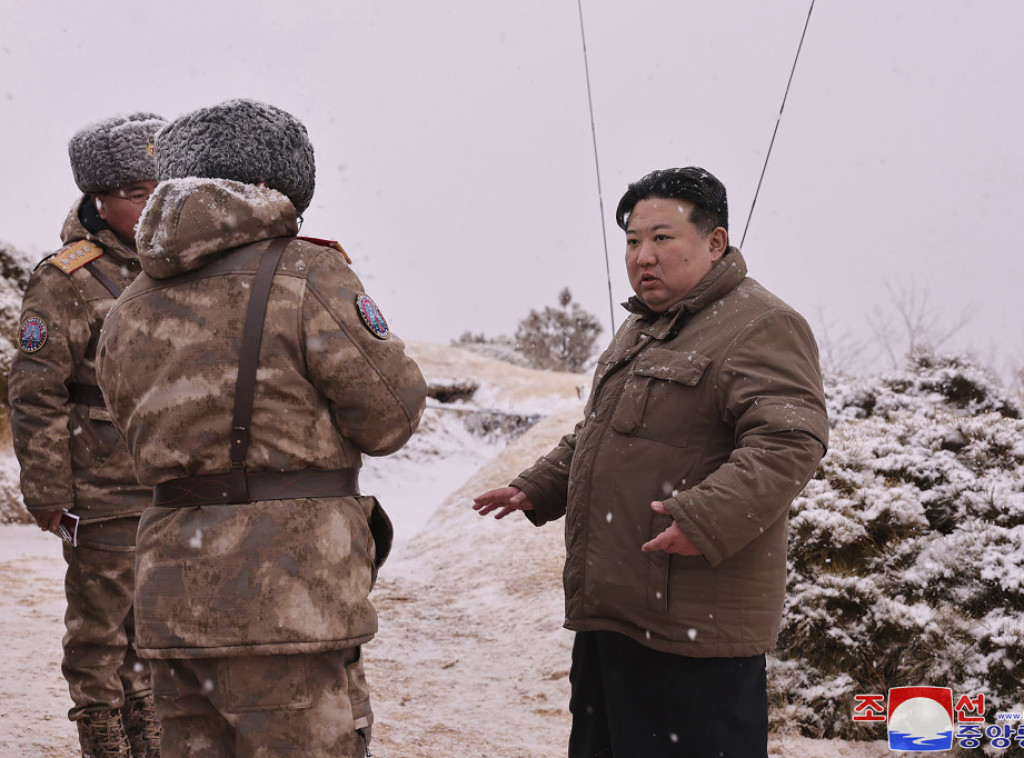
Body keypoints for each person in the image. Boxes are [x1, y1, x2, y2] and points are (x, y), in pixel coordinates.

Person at [94, 98, 427, 758]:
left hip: (170, 597)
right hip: (287, 597)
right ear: (278, 184)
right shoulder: (307, 272)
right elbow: (390, 415)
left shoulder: (129, 301)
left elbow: (130, 431)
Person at [473, 167, 829, 757]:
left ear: (714, 243)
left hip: (694, 630)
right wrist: (538, 487)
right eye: (634, 241)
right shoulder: (641, 326)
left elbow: (789, 441)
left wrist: (704, 518)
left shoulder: (762, 324)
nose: (643, 256)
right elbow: (603, 434)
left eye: (663, 238)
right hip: (612, 615)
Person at [8, 112, 166, 758]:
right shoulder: (66, 277)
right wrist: (47, 488)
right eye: (134, 193)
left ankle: (149, 729)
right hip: (101, 485)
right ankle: (101, 733)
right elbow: (35, 390)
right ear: (98, 199)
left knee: (155, 624)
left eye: (161, 186)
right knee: (101, 628)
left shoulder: (179, 267)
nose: (151, 203)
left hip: (173, 483)